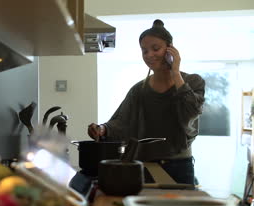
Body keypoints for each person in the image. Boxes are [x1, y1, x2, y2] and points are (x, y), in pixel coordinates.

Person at [87, 19, 205, 185]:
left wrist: (175, 72)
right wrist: (102, 129)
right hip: (144, 165)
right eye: (144, 51)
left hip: (180, 165)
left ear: (170, 49)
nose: (149, 55)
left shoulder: (193, 81)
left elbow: (191, 110)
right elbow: (121, 122)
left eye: (155, 48)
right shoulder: (139, 90)